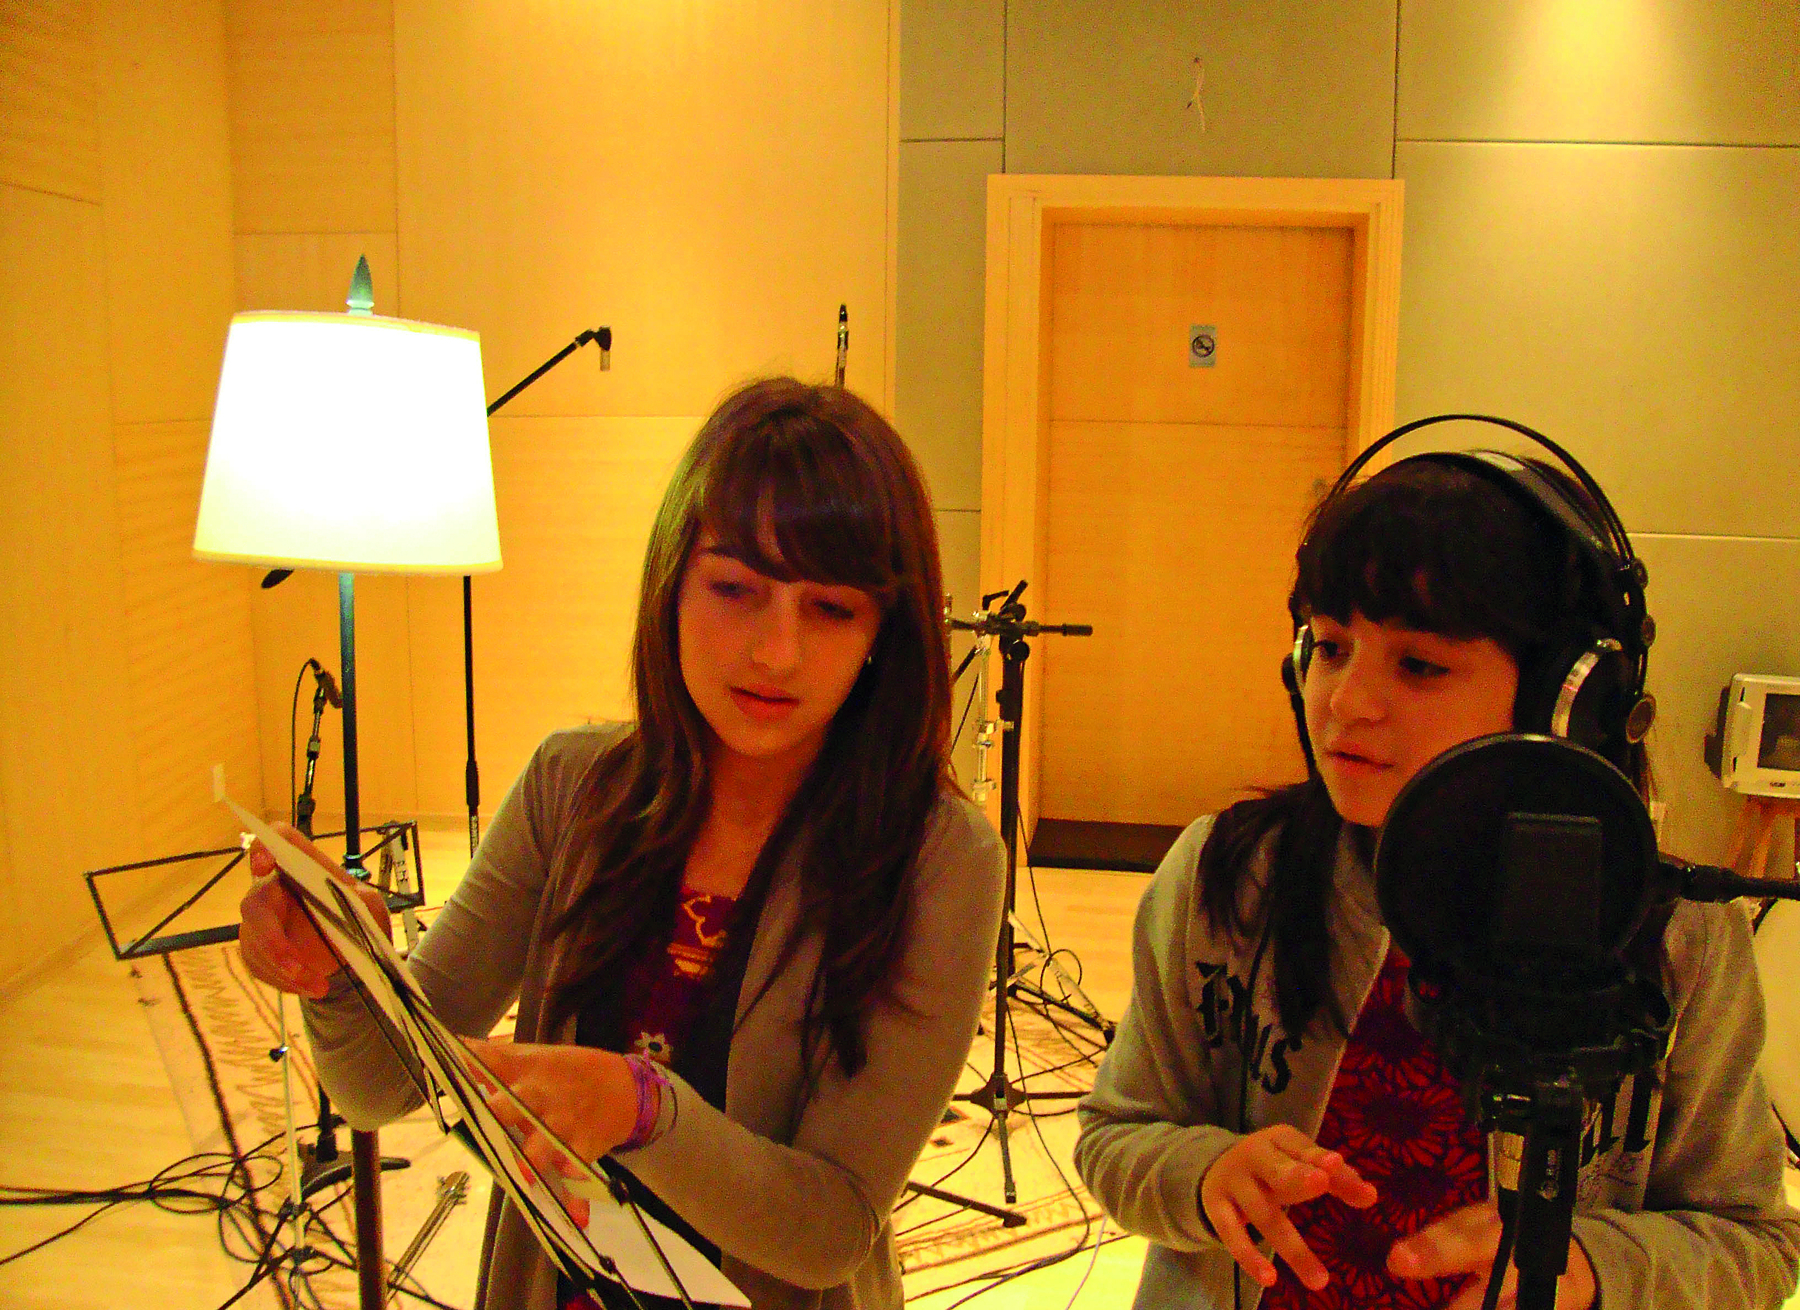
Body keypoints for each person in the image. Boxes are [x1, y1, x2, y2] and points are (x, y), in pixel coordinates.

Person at [238, 377, 1007, 1310]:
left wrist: (640, 1110)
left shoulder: (937, 857)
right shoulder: (575, 788)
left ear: (885, 630)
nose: (776, 652)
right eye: (735, 589)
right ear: (672, 582)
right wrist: (341, 966)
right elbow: (375, 1089)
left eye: (830, 609)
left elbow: (828, 1230)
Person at [1074, 446, 1800, 1310]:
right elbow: (1116, 1134)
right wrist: (1202, 1173)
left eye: (1418, 665)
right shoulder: (1226, 873)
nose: (1345, 700)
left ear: (1563, 699)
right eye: (1331, 647)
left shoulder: (1672, 930)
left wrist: (1593, 1268)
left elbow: (1755, 1241)